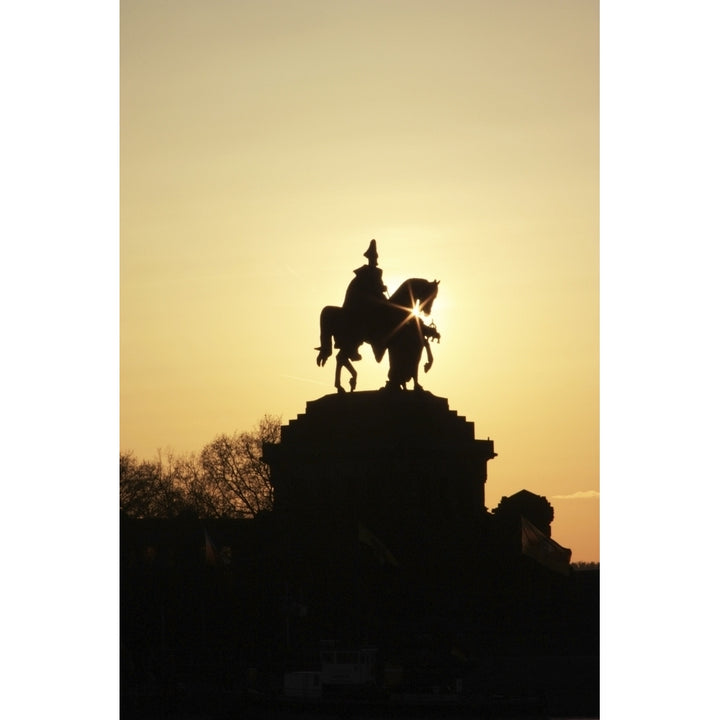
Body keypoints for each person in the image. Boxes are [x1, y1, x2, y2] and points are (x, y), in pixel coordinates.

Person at [342, 240, 388, 360]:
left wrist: (382, 288)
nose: (373, 259)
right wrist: (381, 288)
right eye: (372, 257)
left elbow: (378, 286)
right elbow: (370, 287)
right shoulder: (364, 273)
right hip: (365, 301)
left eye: (374, 257)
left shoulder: (377, 272)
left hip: (373, 299)